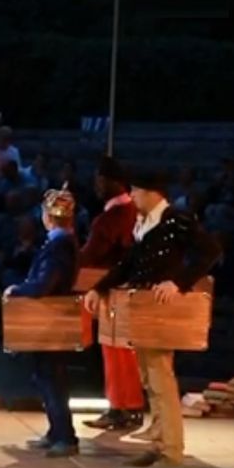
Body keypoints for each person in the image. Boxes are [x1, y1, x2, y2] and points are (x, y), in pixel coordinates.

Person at [83, 168, 221, 468]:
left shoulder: (176, 219)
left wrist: (178, 282)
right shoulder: (145, 223)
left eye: (135, 191)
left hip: (161, 309)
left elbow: (211, 250)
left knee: (160, 377)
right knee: (149, 375)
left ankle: (171, 450)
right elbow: (129, 263)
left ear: (151, 192)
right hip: (144, 307)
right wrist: (100, 287)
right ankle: (160, 439)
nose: (131, 196)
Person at [4, 185, 80, 457]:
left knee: (52, 379)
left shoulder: (59, 244)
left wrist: (17, 290)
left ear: (47, 216)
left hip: (51, 320)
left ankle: (65, 436)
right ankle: (55, 432)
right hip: (48, 321)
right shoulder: (60, 241)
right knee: (46, 377)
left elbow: (43, 285)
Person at [79, 157, 145, 432]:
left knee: (118, 352)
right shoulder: (130, 212)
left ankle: (124, 408)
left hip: (114, 292)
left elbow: (90, 255)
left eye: (100, 178)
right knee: (120, 352)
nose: (96, 184)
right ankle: (124, 407)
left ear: (114, 181)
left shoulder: (114, 217)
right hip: (123, 291)